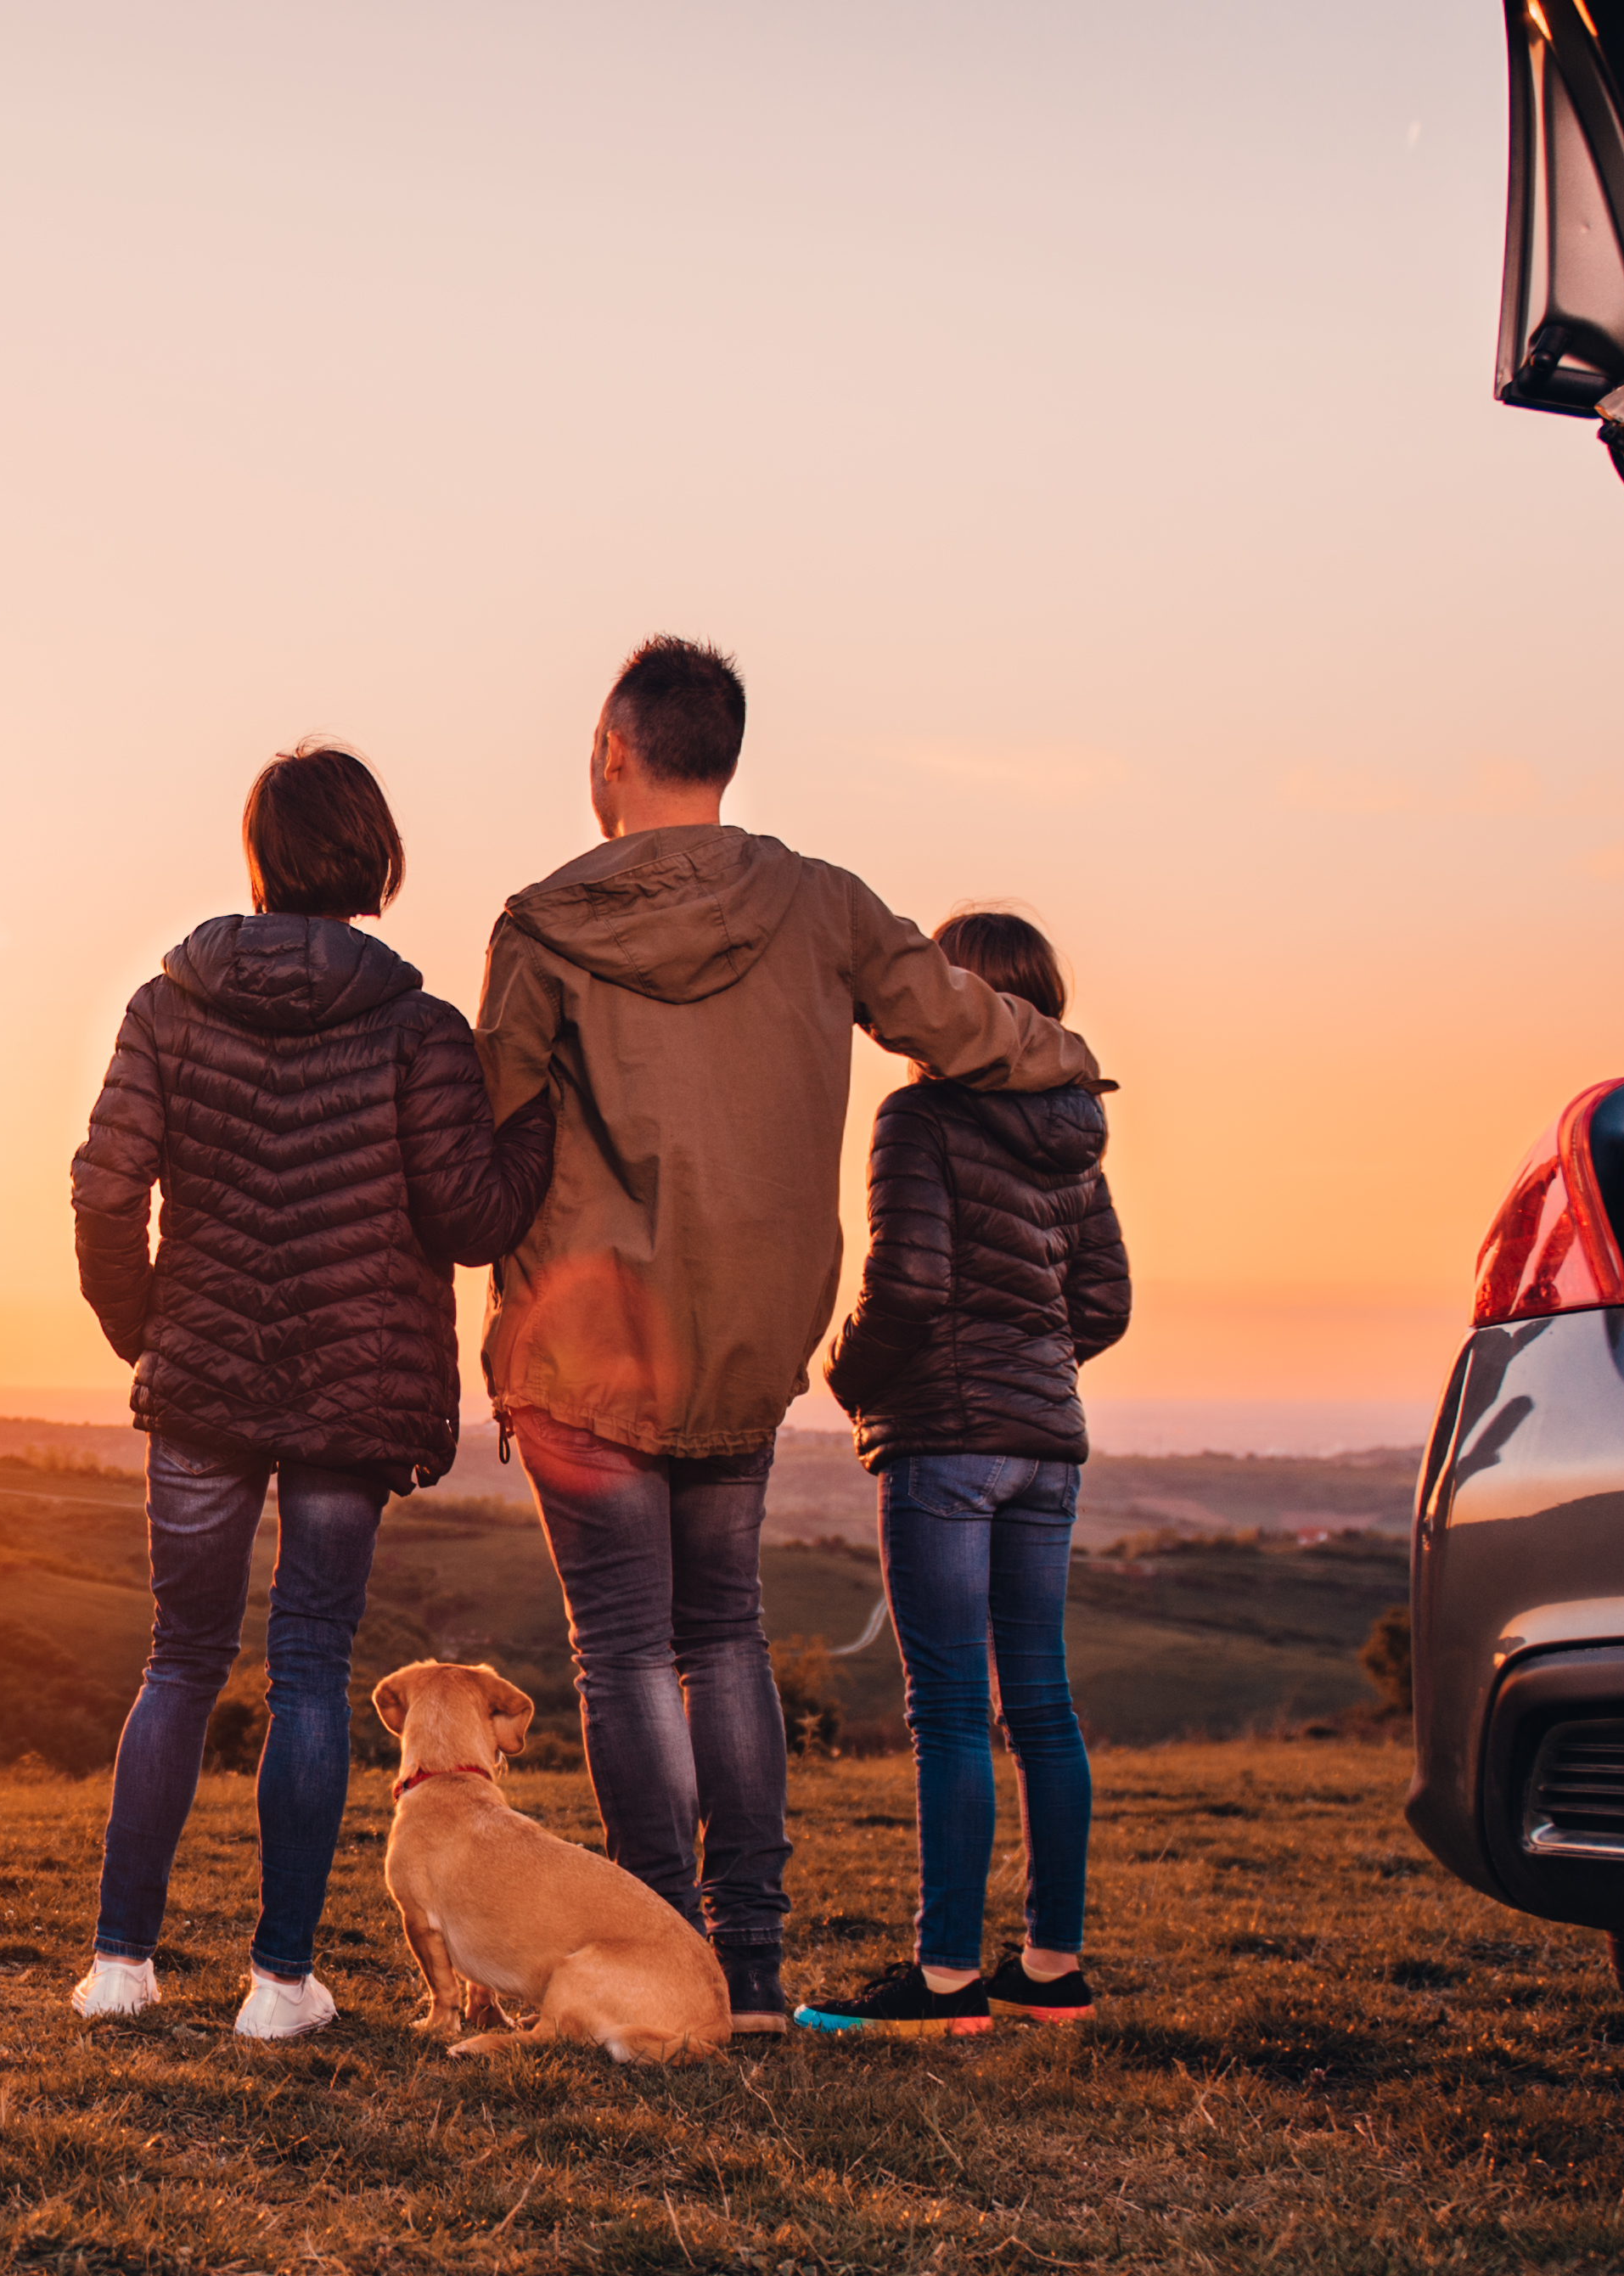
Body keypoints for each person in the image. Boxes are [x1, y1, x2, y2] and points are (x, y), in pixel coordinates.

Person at [473, 638, 1100, 2033]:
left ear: (612, 752)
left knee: (626, 1652)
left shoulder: (544, 926)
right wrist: (1070, 1062)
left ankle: (661, 1953)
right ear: (727, 752)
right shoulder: (825, 906)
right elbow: (962, 1024)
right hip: (752, 1342)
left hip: (586, 1351)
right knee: (725, 1637)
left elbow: (490, 1144)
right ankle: (750, 1970)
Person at [67, 742, 558, 2039]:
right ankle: (281, 1984)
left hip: (202, 1383)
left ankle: (120, 1966)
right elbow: (471, 1216)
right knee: (310, 1668)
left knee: (180, 1657)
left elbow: (106, 1188)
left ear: (259, 856)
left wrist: (149, 1331)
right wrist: (539, 1120)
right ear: (376, 858)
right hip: (354, 1392)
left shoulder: (166, 1006)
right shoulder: (418, 1029)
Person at [792, 909, 1129, 2035]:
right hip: (1048, 1443)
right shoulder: (1076, 1130)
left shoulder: (921, 1118)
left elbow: (909, 1282)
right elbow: (1105, 1302)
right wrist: (1030, 1366)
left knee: (947, 1709)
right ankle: (1052, 1969)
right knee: (1041, 1703)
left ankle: (944, 1983)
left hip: (944, 1441)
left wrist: (845, 1374)